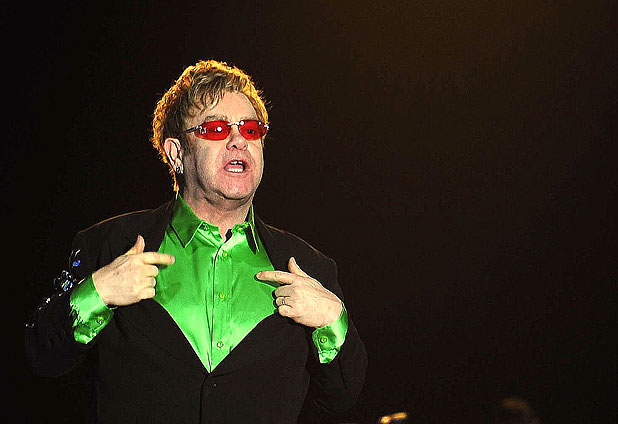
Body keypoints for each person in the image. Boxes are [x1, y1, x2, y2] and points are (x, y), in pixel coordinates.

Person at [25, 60, 367, 423]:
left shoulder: (308, 267)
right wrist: (98, 292)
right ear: (177, 153)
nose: (239, 140)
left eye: (251, 129)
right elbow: (41, 356)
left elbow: (343, 396)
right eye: (217, 129)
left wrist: (332, 319)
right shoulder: (109, 244)